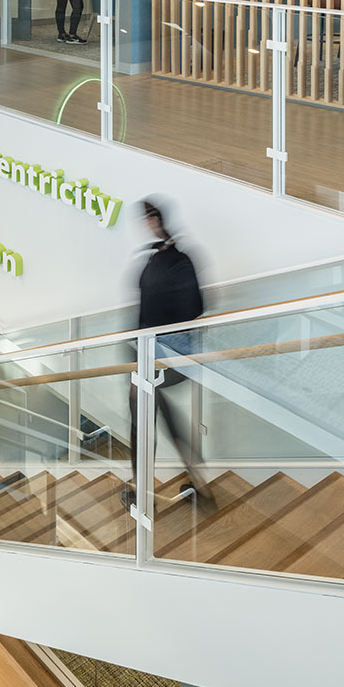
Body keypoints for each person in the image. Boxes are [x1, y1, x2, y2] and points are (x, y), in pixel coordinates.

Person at [122, 200, 212, 511]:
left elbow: (189, 308)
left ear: (158, 219)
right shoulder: (162, 257)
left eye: (151, 217)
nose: (148, 224)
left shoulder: (171, 261)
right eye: (146, 218)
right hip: (160, 354)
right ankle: (195, 479)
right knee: (154, 411)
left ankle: (140, 489)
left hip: (167, 355)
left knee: (142, 411)